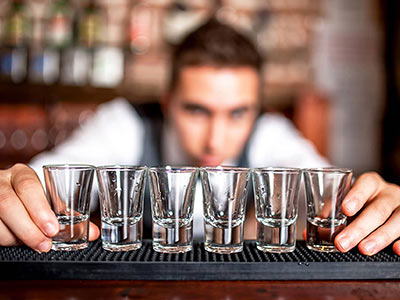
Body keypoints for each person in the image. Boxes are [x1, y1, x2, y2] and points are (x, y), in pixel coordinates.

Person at [0, 19, 399, 257]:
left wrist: (371, 207)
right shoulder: (125, 123)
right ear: (168, 101)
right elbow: (41, 185)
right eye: (196, 110)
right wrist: (16, 194)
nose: (215, 140)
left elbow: (333, 200)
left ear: (256, 110)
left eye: (238, 113)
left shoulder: (270, 135)